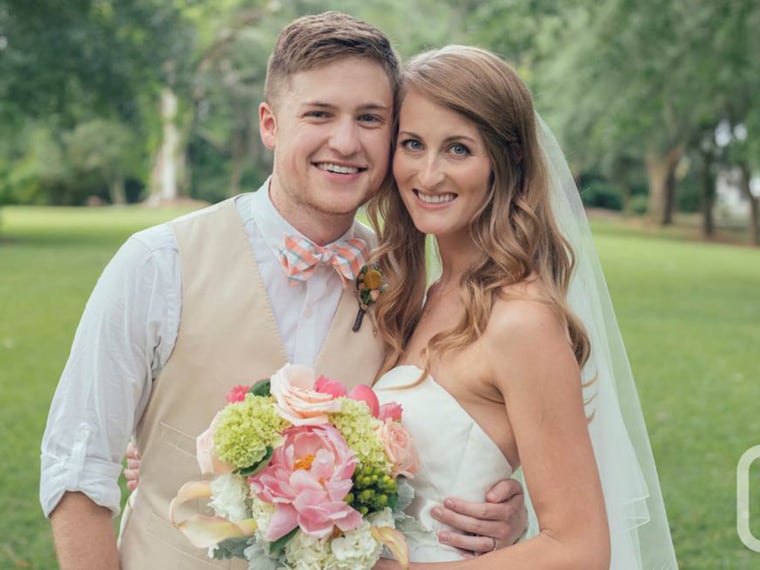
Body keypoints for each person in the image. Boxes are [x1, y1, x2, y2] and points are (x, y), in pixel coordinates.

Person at [39, 13, 526, 570]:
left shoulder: (404, 283)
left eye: (370, 118)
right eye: (319, 114)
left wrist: (499, 511)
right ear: (270, 124)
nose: (345, 142)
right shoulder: (158, 262)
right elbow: (78, 469)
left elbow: (436, 447)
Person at [362, 46, 678, 568]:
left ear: (506, 160)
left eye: (459, 149)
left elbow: (579, 548)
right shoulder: (417, 294)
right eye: (412, 144)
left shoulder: (520, 321)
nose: (429, 173)